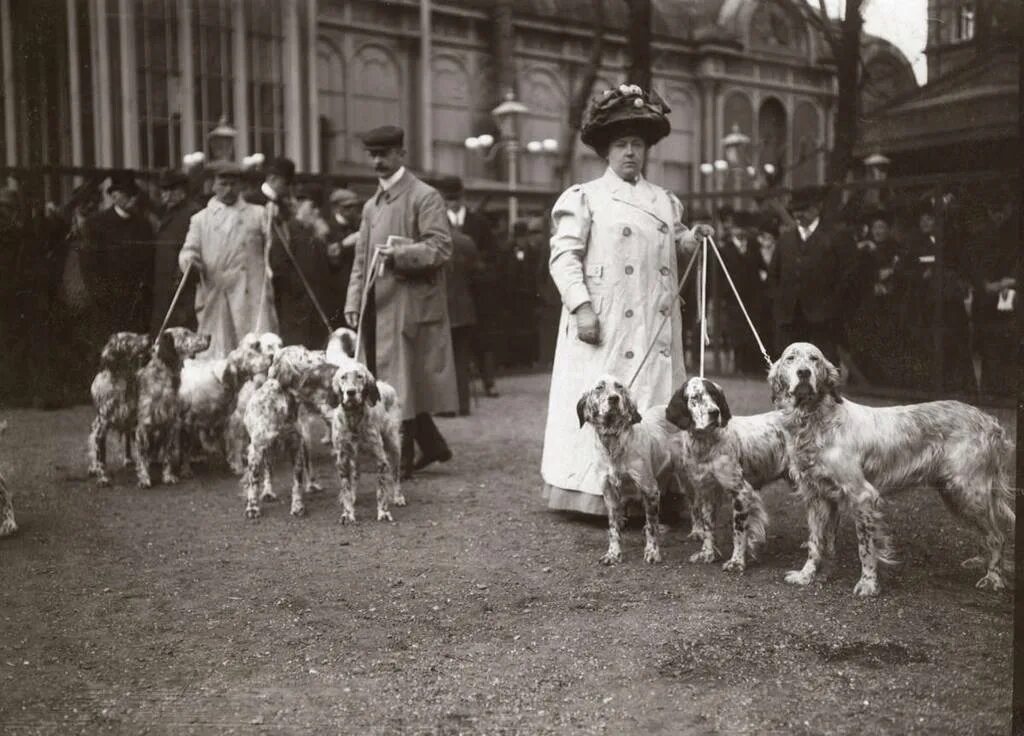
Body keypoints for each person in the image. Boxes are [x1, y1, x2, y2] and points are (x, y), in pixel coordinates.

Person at [540, 83, 712, 516]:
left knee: (653, 405)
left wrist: (692, 239)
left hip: (654, 321)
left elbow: (673, 244)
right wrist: (580, 306)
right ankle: (595, 494)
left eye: (637, 144)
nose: (630, 153)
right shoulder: (585, 198)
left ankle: (659, 489)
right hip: (608, 317)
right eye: (621, 145)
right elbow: (563, 256)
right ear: (607, 151)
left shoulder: (663, 200)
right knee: (606, 398)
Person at [343, 125, 457, 479]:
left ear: (401, 154)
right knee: (387, 378)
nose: (378, 161)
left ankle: (400, 458)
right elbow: (361, 259)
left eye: (385, 154)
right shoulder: (370, 205)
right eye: (373, 155)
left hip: (411, 304)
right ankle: (433, 446)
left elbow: (441, 246)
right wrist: (353, 300)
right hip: (377, 305)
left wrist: (399, 255)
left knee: (401, 381)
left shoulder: (424, 196)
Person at [178, 161, 278, 359]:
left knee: (255, 354)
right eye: (223, 184)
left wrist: (276, 221)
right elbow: (189, 250)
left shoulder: (258, 213)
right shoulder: (201, 219)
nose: (228, 189)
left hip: (252, 296)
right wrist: (189, 260)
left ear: (240, 186)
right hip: (218, 293)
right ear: (213, 185)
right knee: (218, 354)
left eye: (233, 184)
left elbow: (274, 247)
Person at [770, 185, 852, 366]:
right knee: (791, 367)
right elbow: (774, 275)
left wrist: (831, 305)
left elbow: (846, 276)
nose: (799, 214)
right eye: (795, 210)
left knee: (824, 366)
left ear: (817, 208)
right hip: (790, 316)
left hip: (823, 317)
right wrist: (781, 302)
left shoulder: (834, 237)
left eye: (804, 209)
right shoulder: (786, 239)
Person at [899, 199, 974, 392]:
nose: (925, 222)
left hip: (949, 303)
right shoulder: (913, 243)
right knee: (927, 345)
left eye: (930, 219)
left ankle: (959, 387)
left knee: (954, 343)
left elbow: (962, 268)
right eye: (922, 219)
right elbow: (902, 271)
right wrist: (920, 275)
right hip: (923, 304)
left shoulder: (951, 242)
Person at [437, 175, 500, 397]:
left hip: (478, 290)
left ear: (462, 197)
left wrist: (476, 267)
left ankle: (488, 382)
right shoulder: (437, 222)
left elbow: (493, 256)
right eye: (448, 199)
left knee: (482, 339)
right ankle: (454, 388)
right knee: (453, 342)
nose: (452, 203)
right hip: (450, 291)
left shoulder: (479, 222)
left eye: (455, 198)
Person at [79, 172, 155, 340]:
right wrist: (101, 296)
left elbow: (150, 263)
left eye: (135, 195)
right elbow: (89, 266)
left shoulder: (144, 225)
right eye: (128, 195)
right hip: (108, 304)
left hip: (137, 304)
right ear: (114, 197)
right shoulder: (96, 224)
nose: (133, 199)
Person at [150, 169, 200, 333]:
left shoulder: (193, 213)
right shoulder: (169, 212)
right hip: (165, 288)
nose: (167, 195)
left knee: (181, 335)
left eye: (172, 190)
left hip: (182, 288)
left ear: (183, 191)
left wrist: (181, 276)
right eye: (164, 190)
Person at [445, 227, 480, 416]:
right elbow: (476, 273)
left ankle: (448, 406)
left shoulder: (436, 240)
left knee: (445, 360)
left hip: (442, 309)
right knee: (462, 358)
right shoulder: (466, 240)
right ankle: (463, 404)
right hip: (465, 307)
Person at [324, 187, 362, 322]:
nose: (354, 211)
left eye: (356, 206)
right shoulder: (326, 228)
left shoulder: (358, 226)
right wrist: (345, 244)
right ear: (336, 208)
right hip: (335, 292)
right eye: (349, 207)